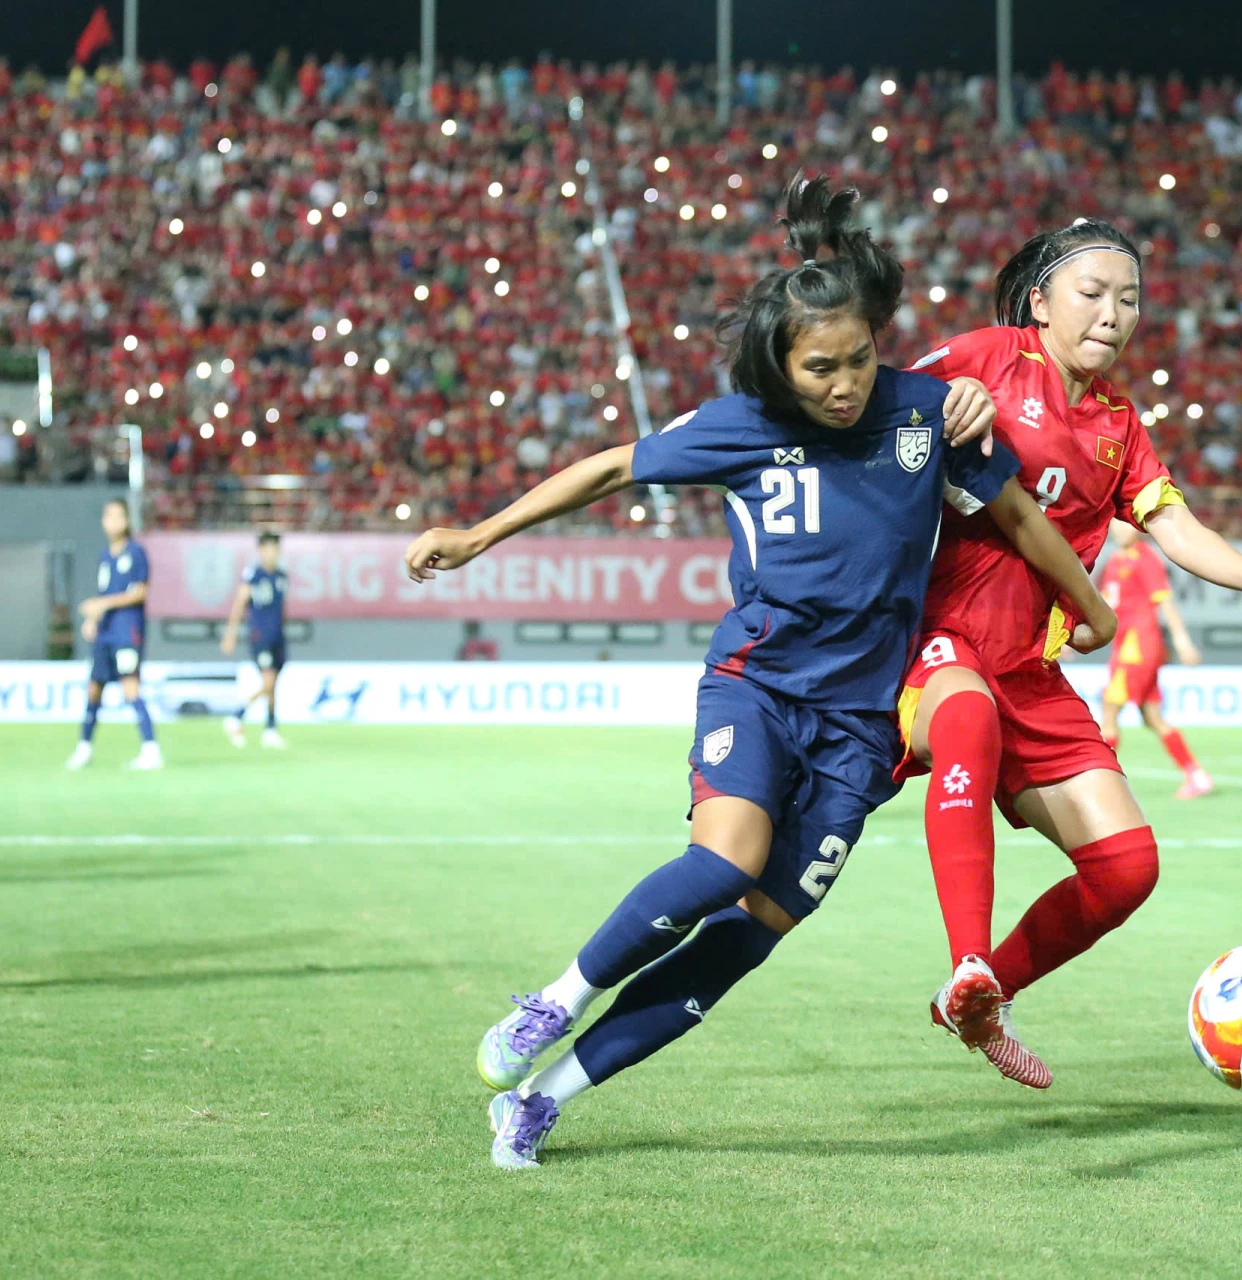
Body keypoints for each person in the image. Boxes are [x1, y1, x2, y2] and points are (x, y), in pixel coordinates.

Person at [401, 175, 1114, 1169]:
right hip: (759, 685)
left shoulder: (924, 415)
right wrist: (479, 534)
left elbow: (1020, 517)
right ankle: (554, 1001)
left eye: (859, 358)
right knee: (725, 861)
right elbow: (612, 467)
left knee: (747, 937)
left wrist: (1091, 605)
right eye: (821, 368)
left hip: (861, 731)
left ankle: (543, 1097)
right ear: (779, 366)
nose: (846, 383)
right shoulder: (740, 425)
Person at [896, 220, 1242, 1087]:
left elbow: (1175, 526)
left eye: (1131, 299)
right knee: (967, 719)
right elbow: (879, 405)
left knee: (1126, 867)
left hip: (1030, 668)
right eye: (1093, 293)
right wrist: (944, 402)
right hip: (937, 636)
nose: (1114, 313)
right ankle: (967, 958)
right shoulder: (988, 354)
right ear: (1040, 301)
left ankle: (981, 995)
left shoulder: (1119, 423)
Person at [1096, 519, 1211, 798]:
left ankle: (1101, 784)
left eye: (1125, 524)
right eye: (1115, 525)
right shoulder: (1114, 561)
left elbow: (1165, 602)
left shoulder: (1145, 559)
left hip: (1137, 647)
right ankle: (1196, 775)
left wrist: (1182, 640)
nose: (1120, 530)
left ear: (1138, 528)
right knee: (1152, 717)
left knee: (1109, 710)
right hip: (1124, 646)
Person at [66, 498, 161, 771]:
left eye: (118, 516)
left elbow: (140, 592)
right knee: (94, 688)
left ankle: (151, 749)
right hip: (105, 632)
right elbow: (105, 593)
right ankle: (84, 748)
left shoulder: (136, 552)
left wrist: (101, 604)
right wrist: (93, 619)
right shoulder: (105, 557)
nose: (112, 521)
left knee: (130, 686)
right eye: (108, 516)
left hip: (127, 630)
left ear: (127, 521)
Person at [220, 531, 289, 748]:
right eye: (266, 548)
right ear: (260, 551)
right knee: (268, 681)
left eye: (274, 548)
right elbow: (239, 603)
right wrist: (231, 633)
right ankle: (236, 716)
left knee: (273, 684)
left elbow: (281, 609)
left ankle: (270, 729)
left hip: (277, 636)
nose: (271, 553)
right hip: (260, 635)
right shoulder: (253, 575)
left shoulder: (281, 576)